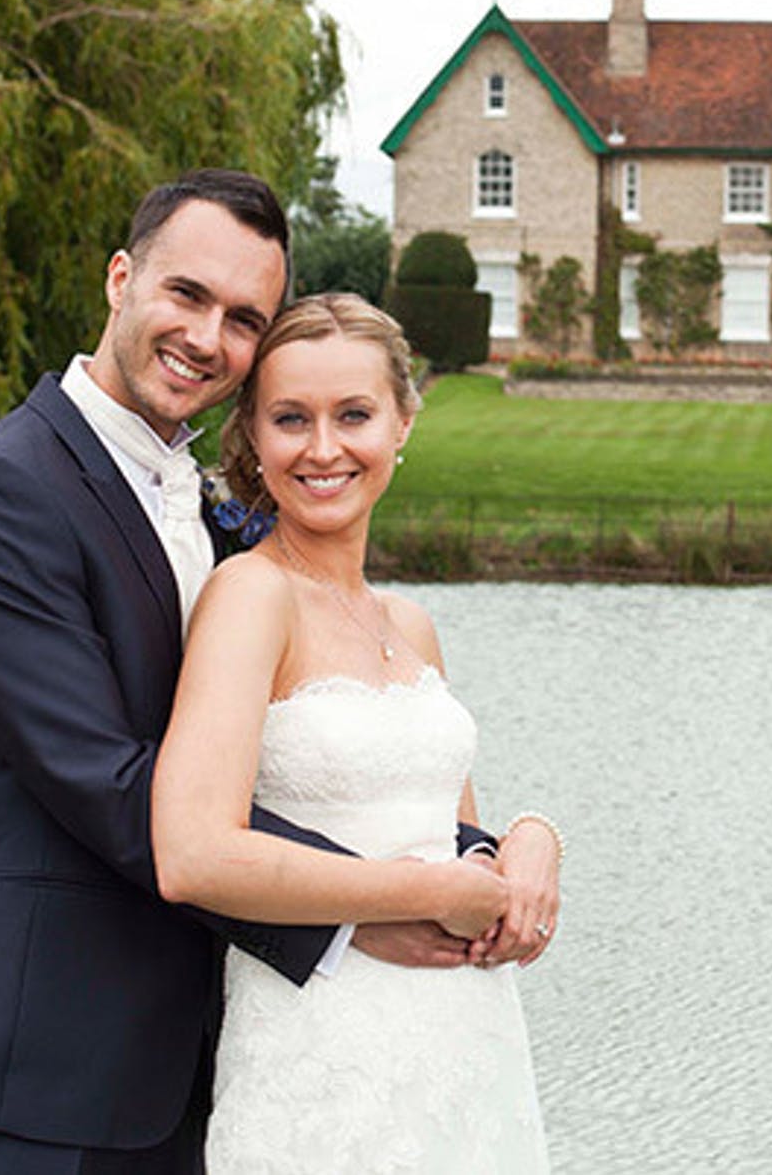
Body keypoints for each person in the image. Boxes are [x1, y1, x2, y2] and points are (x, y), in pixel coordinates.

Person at [0, 170, 505, 1172]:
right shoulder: (0, 493)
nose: (204, 334)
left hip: (213, 1063)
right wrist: (367, 909)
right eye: (186, 294)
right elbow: (109, 782)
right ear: (121, 277)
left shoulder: (226, 518)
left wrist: (492, 848)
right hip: (37, 1069)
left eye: (241, 318)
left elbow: (305, 738)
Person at [150, 294, 560, 1171]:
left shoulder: (409, 626)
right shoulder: (249, 598)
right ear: (252, 440)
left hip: (465, 1043)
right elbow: (192, 854)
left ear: (404, 422)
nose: (324, 448)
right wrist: (415, 896)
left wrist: (529, 845)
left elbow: (458, 844)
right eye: (292, 419)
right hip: (324, 1048)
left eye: (355, 415)